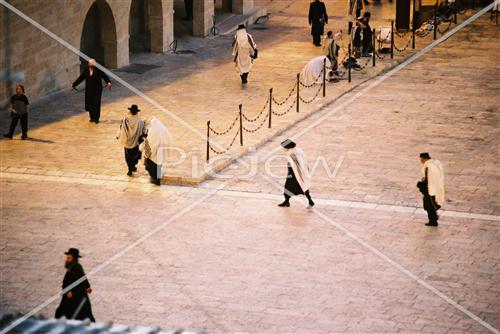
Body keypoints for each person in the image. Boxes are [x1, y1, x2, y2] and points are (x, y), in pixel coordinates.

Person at [55, 248, 95, 322]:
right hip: (71, 296)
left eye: (69, 258)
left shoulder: (76, 268)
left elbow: (81, 279)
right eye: (67, 258)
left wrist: (71, 291)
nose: (67, 259)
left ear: (74, 259)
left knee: (76, 314)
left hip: (75, 297)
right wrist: (87, 286)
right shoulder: (71, 267)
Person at [72, 58, 112, 124]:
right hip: (89, 90)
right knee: (90, 103)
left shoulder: (99, 69)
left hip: (97, 90)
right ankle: (92, 117)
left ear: (94, 64)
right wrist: (75, 84)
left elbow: (104, 76)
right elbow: (81, 77)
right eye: (89, 63)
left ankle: (96, 118)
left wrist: (108, 82)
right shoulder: (86, 69)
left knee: (96, 104)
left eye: (91, 63)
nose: (90, 64)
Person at [278, 139, 315, 208]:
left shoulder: (291, 153)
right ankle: (287, 201)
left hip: (295, 174)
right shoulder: (298, 150)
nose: (283, 148)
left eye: (284, 147)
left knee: (291, 187)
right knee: (302, 187)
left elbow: (296, 165)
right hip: (296, 173)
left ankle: (310, 201)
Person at [117, 104, 147, 176]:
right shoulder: (140, 121)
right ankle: (132, 167)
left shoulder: (126, 120)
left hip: (127, 141)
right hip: (135, 142)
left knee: (127, 156)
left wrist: (118, 135)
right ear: (137, 112)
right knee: (134, 156)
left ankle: (130, 168)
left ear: (130, 111)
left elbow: (121, 128)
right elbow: (145, 131)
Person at [417, 153, 445, 226]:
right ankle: (433, 219)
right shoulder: (433, 164)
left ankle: (433, 221)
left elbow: (429, 180)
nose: (421, 161)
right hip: (433, 188)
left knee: (429, 206)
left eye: (421, 159)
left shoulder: (429, 167)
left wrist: (421, 185)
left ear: (423, 159)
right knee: (431, 205)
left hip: (430, 190)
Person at [142, 117, 169, 186]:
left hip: (154, 154)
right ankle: (158, 179)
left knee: (150, 166)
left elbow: (150, 143)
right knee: (159, 166)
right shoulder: (163, 130)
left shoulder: (153, 131)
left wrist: (145, 151)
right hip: (161, 153)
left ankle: (155, 179)